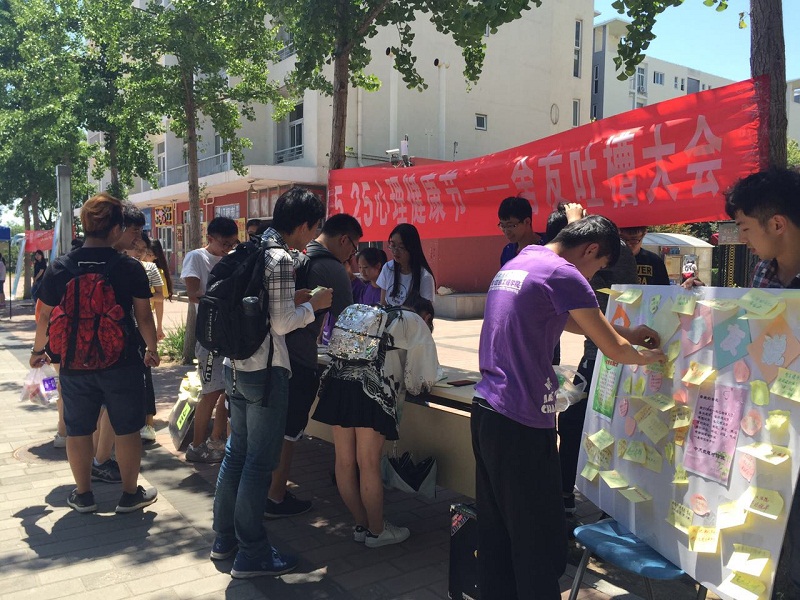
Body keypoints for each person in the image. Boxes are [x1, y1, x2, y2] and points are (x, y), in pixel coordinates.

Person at [472, 215, 665, 600]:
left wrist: (626, 332)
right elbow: (614, 350)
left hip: (487, 410)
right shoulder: (565, 274)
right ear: (591, 250)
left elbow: (568, 318)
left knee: (498, 533)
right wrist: (651, 357)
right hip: (521, 420)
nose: (593, 277)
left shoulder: (525, 260)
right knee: (538, 541)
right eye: (598, 268)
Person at [210, 186, 332, 578]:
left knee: (236, 454)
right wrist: (313, 305)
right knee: (259, 463)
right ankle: (252, 552)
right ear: (304, 224)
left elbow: (261, 309)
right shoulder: (279, 257)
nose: (315, 235)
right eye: (315, 227)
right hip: (265, 372)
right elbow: (281, 324)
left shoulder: (251, 248)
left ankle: (224, 539)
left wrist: (294, 300)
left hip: (235, 366)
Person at [30, 192, 159, 514]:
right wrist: (152, 348)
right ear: (116, 229)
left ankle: (83, 495)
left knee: (78, 430)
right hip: (122, 361)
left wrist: (37, 351)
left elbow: (44, 315)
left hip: (74, 362)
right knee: (127, 428)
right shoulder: (129, 267)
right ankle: (130, 495)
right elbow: (143, 316)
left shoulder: (61, 266)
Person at [313, 299, 439, 548]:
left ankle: (362, 524)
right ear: (427, 317)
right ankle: (377, 530)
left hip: (338, 383)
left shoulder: (374, 314)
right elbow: (421, 381)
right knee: (368, 462)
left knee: (344, 461)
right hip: (372, 391)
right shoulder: (414, 323)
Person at [266, 213, 363, 518]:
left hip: (267, 355)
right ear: (345, 240)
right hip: (299, 358)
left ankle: (260, 492)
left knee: (267, 428)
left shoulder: (291, 255)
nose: (353, 256)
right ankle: (275, 497)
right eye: (354, 248)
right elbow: (351, 320)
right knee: (289, 431)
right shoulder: (331, 268)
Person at [181, 216, 240, 463]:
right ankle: (196, 446)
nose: (228, 249)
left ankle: (216, 440)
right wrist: (223, 301)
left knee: (227, 390)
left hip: (230, 336)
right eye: (224, 244)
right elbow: (193, 293)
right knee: (211, 392)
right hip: (209, 337)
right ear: (210, 238)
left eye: (233, 243)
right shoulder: (196, 257)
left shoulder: (234, 258)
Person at [377, 224, 435, 306]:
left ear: (412, 248)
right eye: (393, 245)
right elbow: (383, 303)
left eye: (401, 247)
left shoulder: (425, 277)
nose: (395, 251)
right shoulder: (388, 268)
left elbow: (425, 311)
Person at [497, 196, 543, 266]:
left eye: (511, 225)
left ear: (527, 222)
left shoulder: (548, 246)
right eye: (503, 226)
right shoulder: (508, 251)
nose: (506, 231)